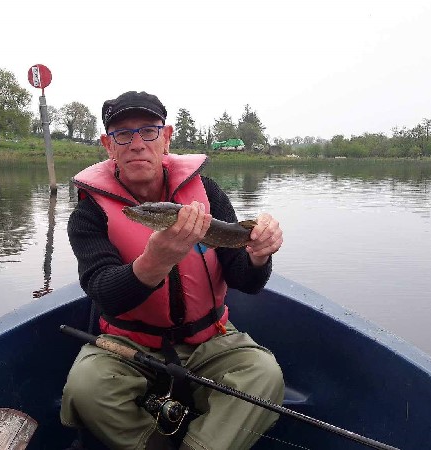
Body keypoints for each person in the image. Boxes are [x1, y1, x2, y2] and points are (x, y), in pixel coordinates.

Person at [61, 90, 285, 450]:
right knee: (86, 388)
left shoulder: (207, 193)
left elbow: (246, 280)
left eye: (148, 131)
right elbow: (103, 293)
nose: (137, 144)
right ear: (108, 145)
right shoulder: (89, 215)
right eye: (123, 134)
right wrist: (155, 261)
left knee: (264, 375)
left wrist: (260, 254)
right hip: (127, 344)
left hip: (211, 338)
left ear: (166, 138)